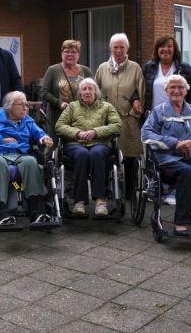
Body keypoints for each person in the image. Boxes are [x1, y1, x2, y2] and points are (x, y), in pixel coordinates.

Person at [141, 75, 191, 238]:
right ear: (166, 91)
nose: (176, 90)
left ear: (186, 91)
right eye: (172, 87)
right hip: (168, 158)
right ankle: (181, 223)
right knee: (186, 171)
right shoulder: (159, 111)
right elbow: (146, 133)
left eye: (180, 87)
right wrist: (174, 143)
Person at [0, 91, 54, 225]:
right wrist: (1, 140)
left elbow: (38, 133)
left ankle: (36, 211)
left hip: (19, 154)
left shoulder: (27, 121)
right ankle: (2, 212)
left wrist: (43, 138)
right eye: (21, 105)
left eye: (26, 105)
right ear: (9, 106)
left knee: (30, 162)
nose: (25, 108)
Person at [55, 78, 121, 217]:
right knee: (82, 154)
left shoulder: (107, 107)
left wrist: (96, 132)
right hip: (75, 144)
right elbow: (59, 126)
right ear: (80, 93)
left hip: (100, 143)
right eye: (84, 89)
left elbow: (116, 125)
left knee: (96, 154)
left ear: (96, 92)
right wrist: (77, 133)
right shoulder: (72, 107)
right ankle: (79, 202)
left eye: (90, 89)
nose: (87, 92)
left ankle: (100, 201)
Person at [94, 33, 145, 199]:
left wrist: (134, 111)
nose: (118, 50)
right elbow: (95, 93)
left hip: (128, 119)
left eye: (122, 47)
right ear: (110, 48)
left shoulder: (135, 68)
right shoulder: (102, 68)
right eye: (115, 47)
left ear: (127, 49)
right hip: (106, 122)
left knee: (130, 156)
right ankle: (106, 191)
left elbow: (141, 92)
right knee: (106, 155)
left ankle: (129, 192)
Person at [40, 39, 93, 134]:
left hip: (82, 119)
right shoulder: (52, 70)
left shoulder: (86, 71)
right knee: (56, 142)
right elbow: (44, 92)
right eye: (67, 51)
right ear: (61, 53)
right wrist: (59, 103)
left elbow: (95, 92)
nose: (70, 54)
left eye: (73, 52)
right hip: (58, 117)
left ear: (78, 54)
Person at [142, 35, 191, 112]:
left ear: (174, 49)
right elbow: (140, 89)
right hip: (153, 115)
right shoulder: (148, 67)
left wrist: (189, 114)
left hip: (178, 115)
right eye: (162, 46)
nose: (166, 49)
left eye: (169, 46)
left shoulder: (185, 69)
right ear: (157, 49)